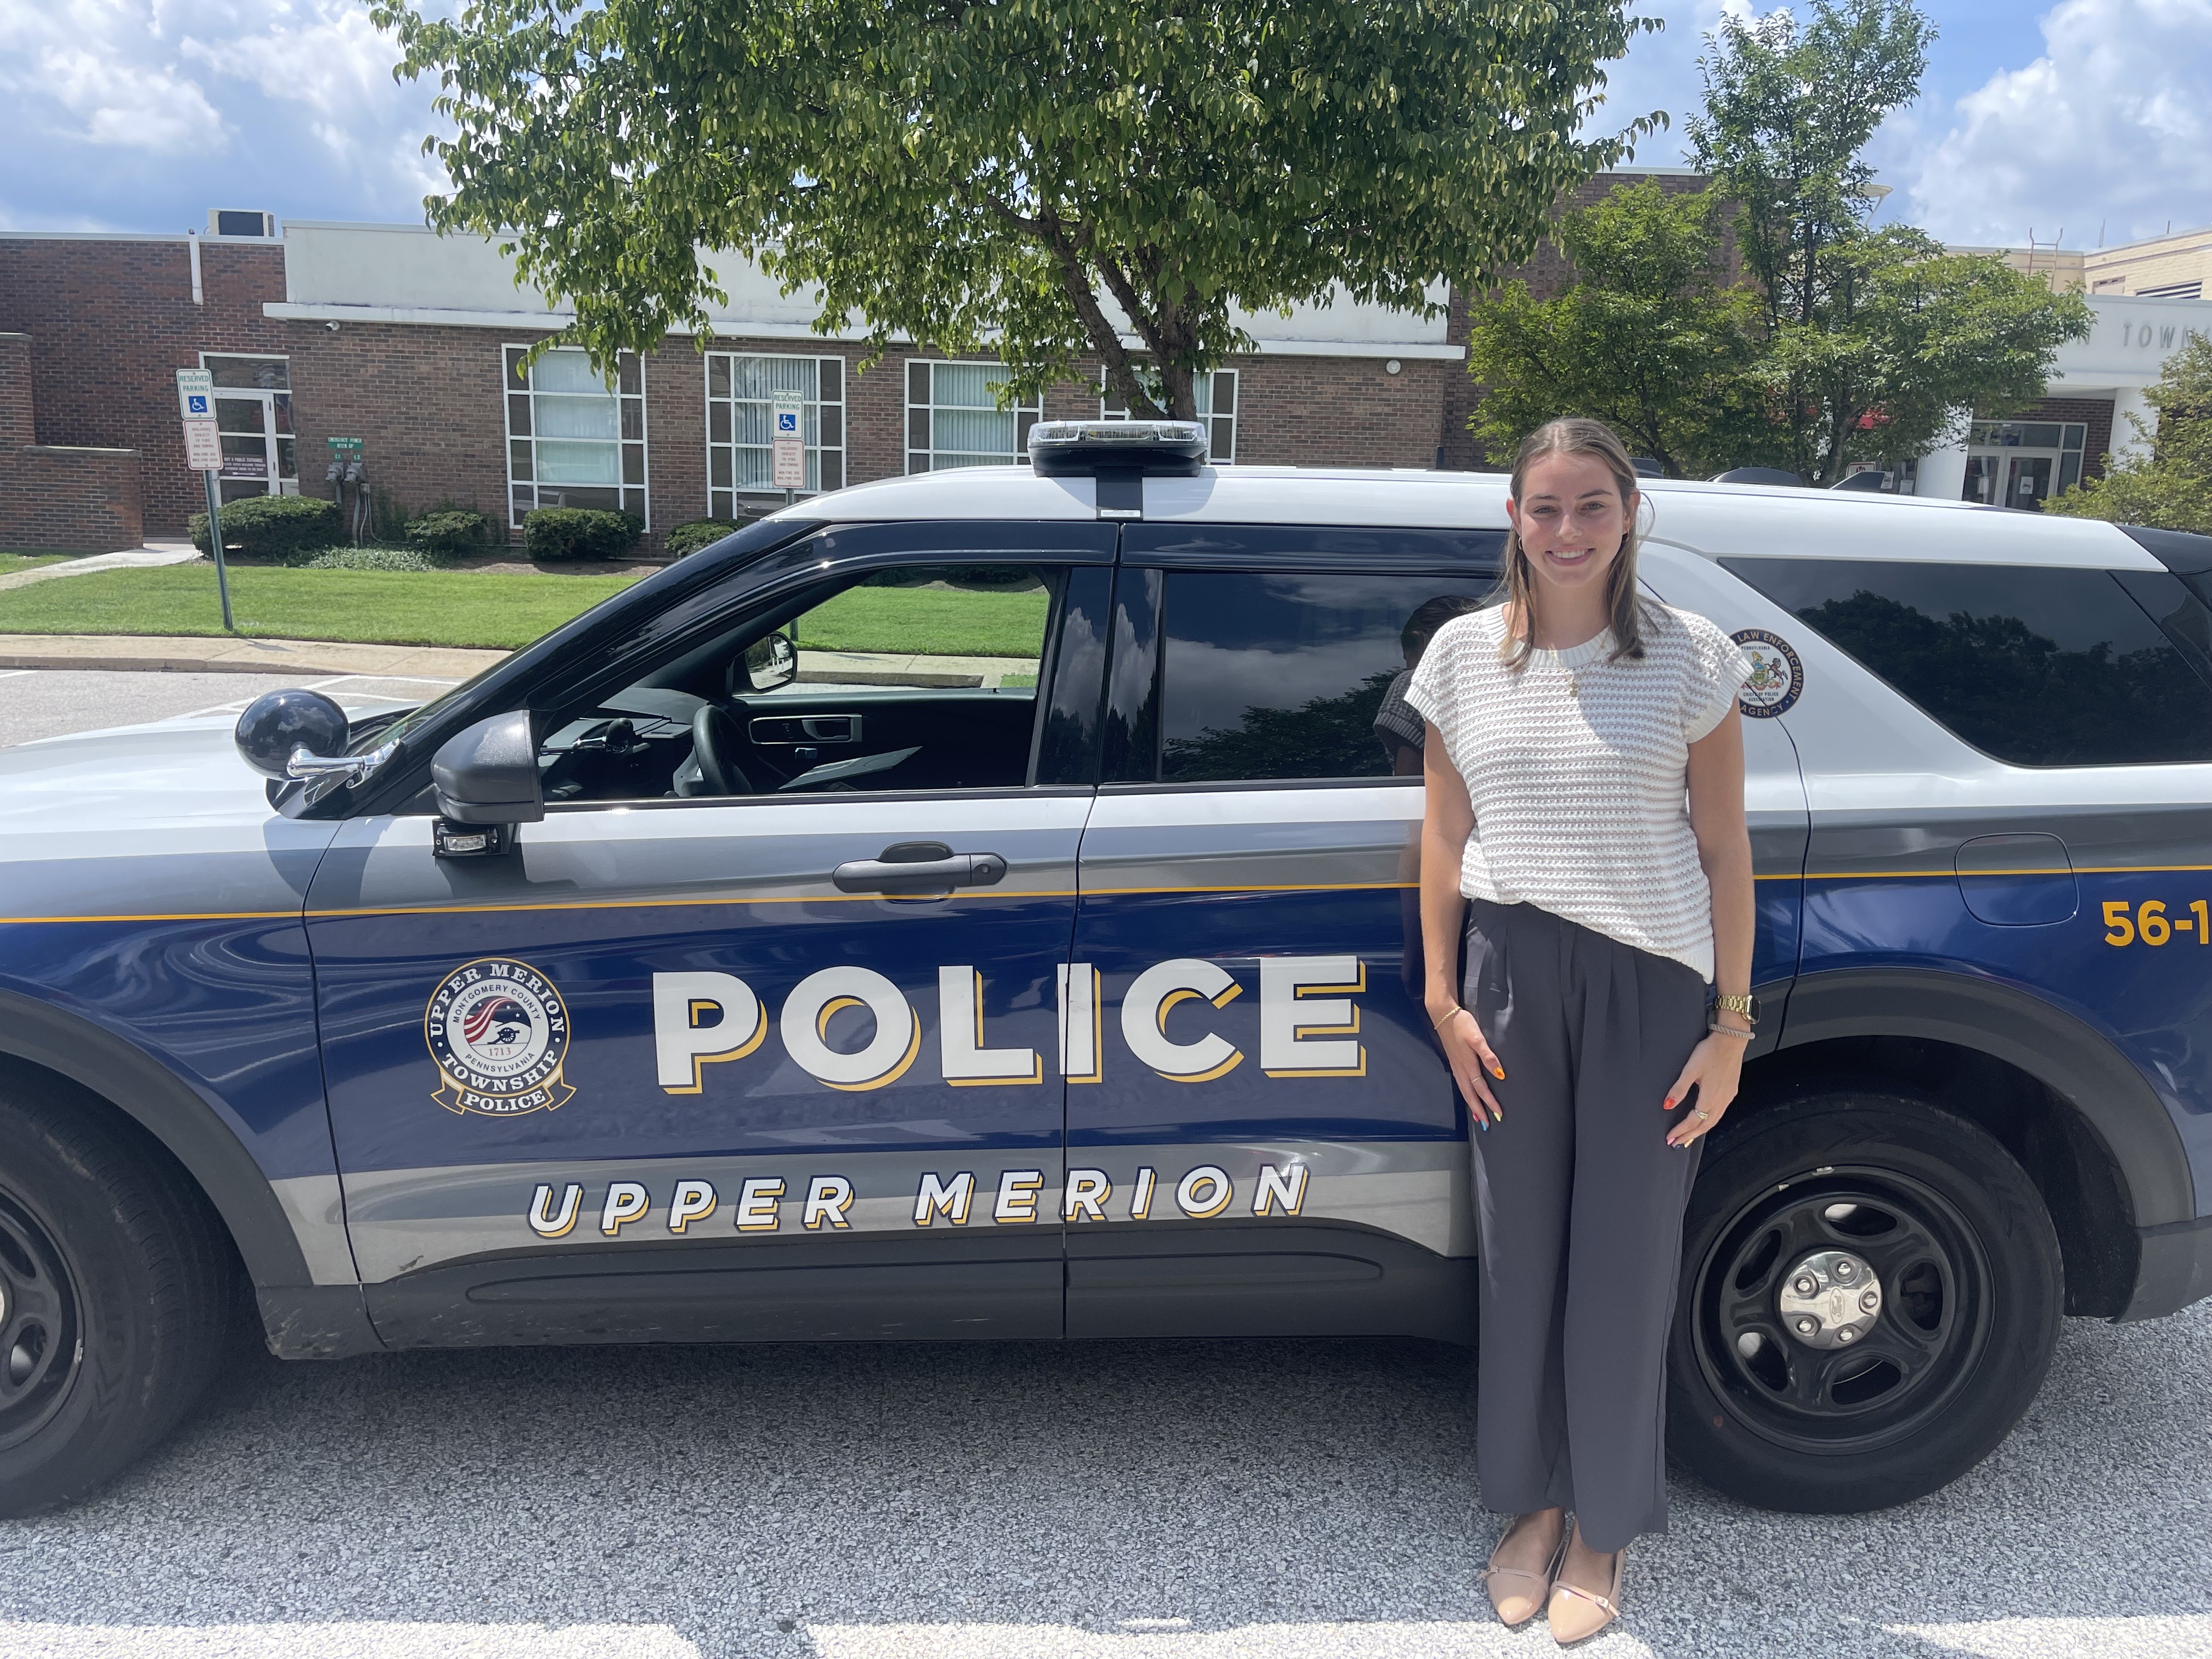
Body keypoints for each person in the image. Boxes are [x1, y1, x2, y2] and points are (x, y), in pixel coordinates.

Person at [1404, 417, 1754, 1644]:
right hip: (1505, 980)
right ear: (1512, 517)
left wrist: (1730, 1029)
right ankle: (1531, 1506)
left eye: (1591, 505)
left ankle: (1604, 1524)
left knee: (1625, 1262)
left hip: (1653, 991)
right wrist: (1444, 999)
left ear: (1630, 513)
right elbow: (1443, 840)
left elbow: (1725, 851)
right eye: (1544, 507)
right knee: (1520, 1262)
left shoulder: (1693, 660)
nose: (1566, 530)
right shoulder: (1460, 657)